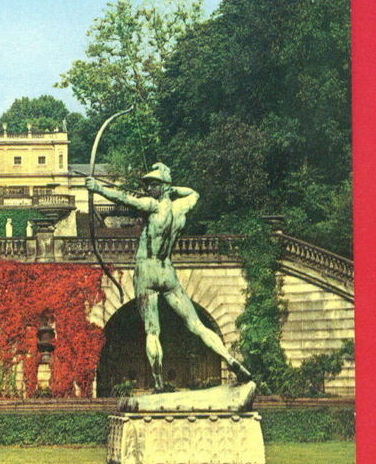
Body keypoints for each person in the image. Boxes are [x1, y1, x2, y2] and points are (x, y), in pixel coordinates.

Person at [86, 162, 252, 391]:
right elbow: (195, 193)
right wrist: (172, 189)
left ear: (162, 186)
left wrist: (98, 188)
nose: (148, 188)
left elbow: (124, 199)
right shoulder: (180, 208)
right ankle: (231, 360)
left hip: (147, 269)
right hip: (168, 271)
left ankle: (158, 383)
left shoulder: (153, 207)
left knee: (152, 331)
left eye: (153, 184)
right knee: (196, 324)